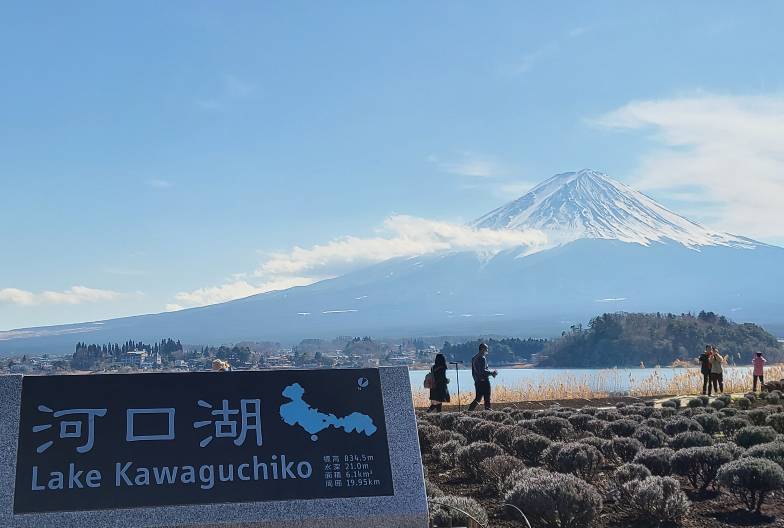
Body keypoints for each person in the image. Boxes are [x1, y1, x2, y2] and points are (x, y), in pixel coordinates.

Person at [468, 343, 497, 411]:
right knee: (487, 398)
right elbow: (483, 371)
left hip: (477, 381)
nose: (487, 351)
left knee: (478, 398)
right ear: (482, 349)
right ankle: (488, 412)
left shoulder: (474, 358)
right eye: (486, 349)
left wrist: (476, 380)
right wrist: (492, 373)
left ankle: (469, 411)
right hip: (484, 381)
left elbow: (473, 372)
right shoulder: (482, 358)